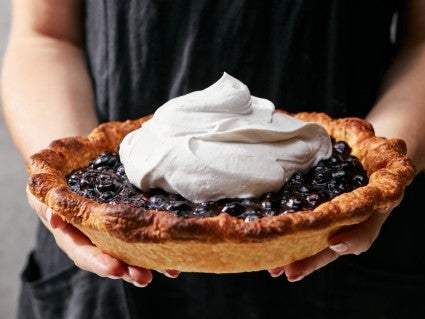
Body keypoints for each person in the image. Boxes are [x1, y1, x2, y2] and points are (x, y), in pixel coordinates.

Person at [1, 0, 424, 318]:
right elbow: (45, 35)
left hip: (355, 259)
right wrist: (63, 191)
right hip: (102, 265)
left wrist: (380, 180)